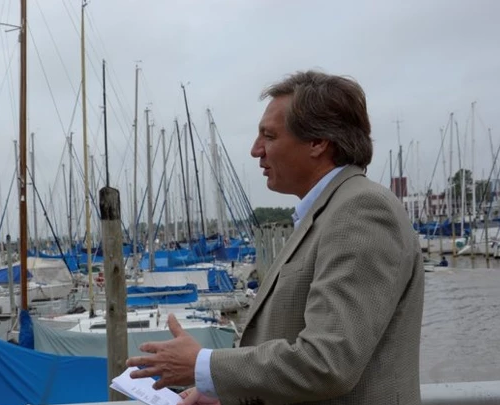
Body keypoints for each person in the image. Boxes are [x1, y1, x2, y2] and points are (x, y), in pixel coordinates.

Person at [126, 70, 425, 405]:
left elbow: (328, 362)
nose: (256, 150)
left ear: (318, 142)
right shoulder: (327, 213)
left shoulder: (361, 210)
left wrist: (203, 366)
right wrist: (225, 394)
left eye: (268, 136)